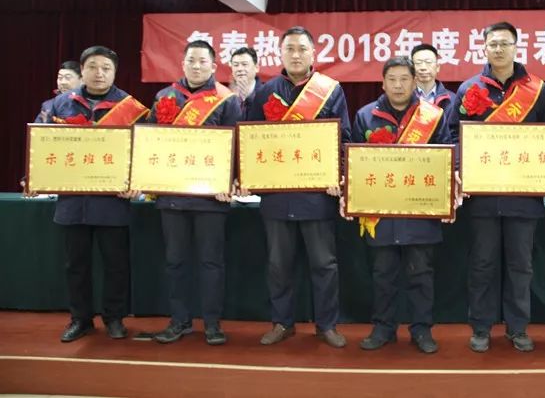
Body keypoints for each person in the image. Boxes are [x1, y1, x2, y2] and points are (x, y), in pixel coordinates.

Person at [448, 21, 545, 353]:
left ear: (515, 47)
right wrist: (459, 170)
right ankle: (481, 327)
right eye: (492, 44)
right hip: (482, 196)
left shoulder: (538, 89)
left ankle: (518, 327)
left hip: (522, 196)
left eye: (504, 43)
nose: (498, 49)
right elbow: (453, 135)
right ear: (484, 48)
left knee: (520, 266)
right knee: (482, 264)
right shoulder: (469, 89)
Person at [245, 26, 350, 349]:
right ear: (279, 53)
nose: (296, 55)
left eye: (302, 49)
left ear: (313, 53)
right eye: (289, 49)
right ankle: (282, 322)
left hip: (317, 197)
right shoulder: (264, 93)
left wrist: (338, 176)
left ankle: (327, 325)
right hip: (277, 196)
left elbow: (343, 139)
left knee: (324, 265)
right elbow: (250, 140)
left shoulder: (330, 91)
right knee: (279, 265)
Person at [44, 46, 148, 342]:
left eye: (106, 68)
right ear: (82, 70)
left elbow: (144, 152)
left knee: (116, 264)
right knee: (76, 265)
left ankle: (114, 317)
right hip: (73, 201)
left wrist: (137, 181)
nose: (99, 73)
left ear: (115, 72)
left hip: (112, 202)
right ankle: (81, 319)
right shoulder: (60, 105)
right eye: (92, 67)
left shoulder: (130, 108)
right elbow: (44, 145)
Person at [351, 56, 453, 354]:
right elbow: (353, 160)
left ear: (415, 81)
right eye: (392, 79)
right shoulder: (365, 116)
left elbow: (447, 159)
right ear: (382, 83)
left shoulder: (432, 116)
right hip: (381, 214)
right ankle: (383, 328)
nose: (398, 85)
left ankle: (422, 330)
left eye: (404, 79)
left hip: (420, 211)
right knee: (383, 275)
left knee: (421, 274)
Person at [148, 40, 241, 346]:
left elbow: (236, 146)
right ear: (183, 64)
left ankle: (212, 323)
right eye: (191, 60)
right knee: (175, 262)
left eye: (203, 61)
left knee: (211, 263)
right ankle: (180, 321)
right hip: (172, 197)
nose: (196, 66)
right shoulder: (165, 96)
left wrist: (230, 181)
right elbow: (150, 143)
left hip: (211, 199)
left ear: (213, 66)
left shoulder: (226, 100)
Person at [410, 43, 455, 111]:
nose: (423, 68)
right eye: (418, 63)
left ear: (437, 67)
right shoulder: (403, 97)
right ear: (412, 68)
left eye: (428, 62)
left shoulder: (451, 99)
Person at [229, 46, 263, 117]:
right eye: (236, 65)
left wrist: (249, 98)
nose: (239, 69)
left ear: (256, 67)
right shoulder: (226, 94)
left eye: (244, 64)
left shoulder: (266, 93)